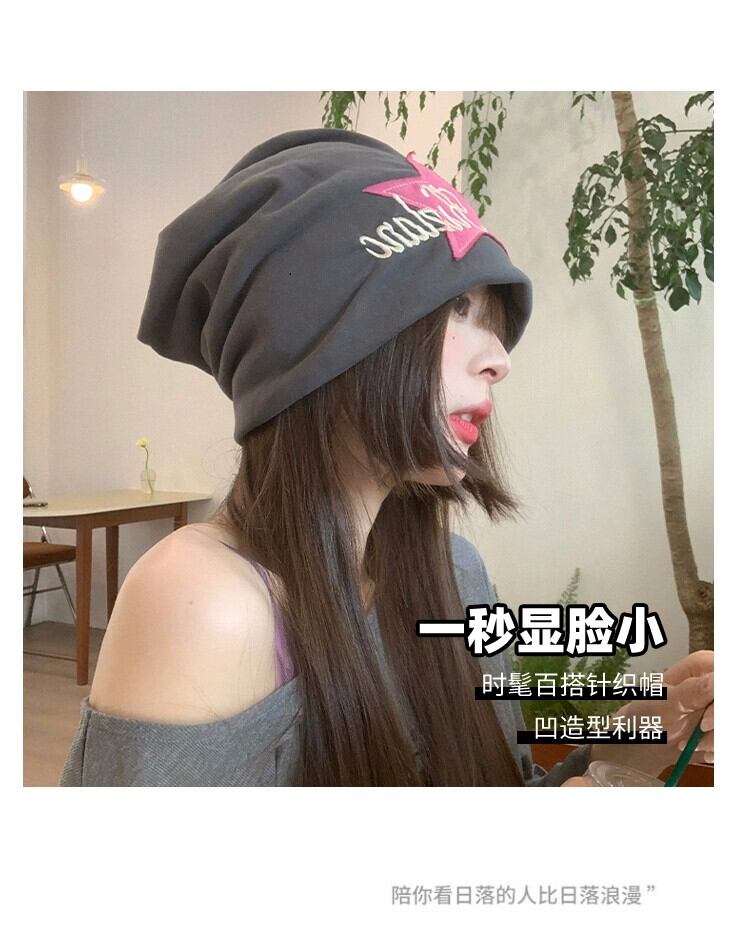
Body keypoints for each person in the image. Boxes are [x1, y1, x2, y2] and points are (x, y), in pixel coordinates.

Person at [59, 128, 713, 787]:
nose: (499, 359)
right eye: (457, 309)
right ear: (311, 346)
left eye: (491, 321)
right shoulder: (205, 601)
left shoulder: (453, 570)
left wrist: (644, 730)